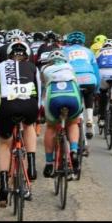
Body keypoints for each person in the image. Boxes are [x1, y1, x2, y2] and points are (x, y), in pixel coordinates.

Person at [0, 41, 41, 207]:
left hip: (7, 106)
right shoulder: (34, 67)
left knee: (5, 144)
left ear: (9, 56)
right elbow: (39, 92)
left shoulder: (1, 67)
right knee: (29, 126)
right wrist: (37, 113)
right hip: (29, 105)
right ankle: (32, 166)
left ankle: (3, 186)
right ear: (27, 55)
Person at [40, 50, 83, 180]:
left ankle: (49, 163)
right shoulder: (70, 67)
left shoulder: (45, 69)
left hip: (54, 98)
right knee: (73, 122)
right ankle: (74, 151)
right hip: (72, 97)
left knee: (51, 127)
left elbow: (43, 89)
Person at [62, 31, 100, 143]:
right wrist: (97, 88)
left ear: (69, 42)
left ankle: (79, 125)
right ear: (83, 42)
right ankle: (89, 119)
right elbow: (96, 71)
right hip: (90, 78)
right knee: (89, 96)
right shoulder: (89, 51)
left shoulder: (64, 51)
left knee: (76, 105)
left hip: (74, 79)